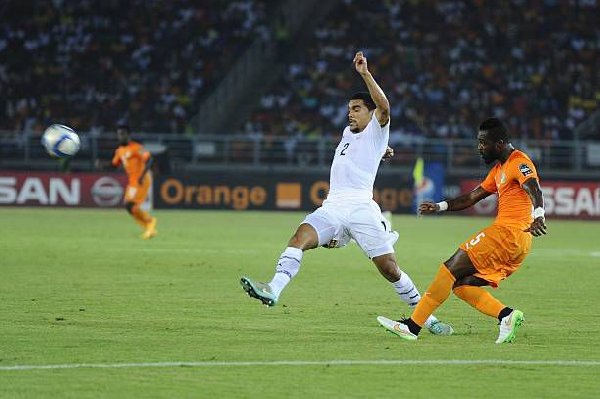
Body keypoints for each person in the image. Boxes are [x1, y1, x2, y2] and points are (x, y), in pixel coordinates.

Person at [240, 51, 453, 336]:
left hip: (362, 209)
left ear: (370, 111)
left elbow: (386, 108)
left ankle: (428, 320)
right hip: (333, 207)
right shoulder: (347, 132)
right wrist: (382, 152)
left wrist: (365, 73)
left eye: (356, 108)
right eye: (349, 108)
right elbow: (363, 152)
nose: (350, 112)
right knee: (299, 238)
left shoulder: (379, 126)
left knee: (389, 268)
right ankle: (273, 290)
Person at [377, 117, 547, 344]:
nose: (479, 148)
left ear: (499, 144)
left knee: (449, 269)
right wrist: (440, 206)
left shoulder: (518, 162)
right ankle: (506, 315)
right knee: (462, 284)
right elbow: (472, 197)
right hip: (517, 242)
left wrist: (539, 214)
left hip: (508, 234)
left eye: (483, 143)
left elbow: (533, 187)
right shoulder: (499, 170)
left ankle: (412, 326)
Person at [99, 126, 157, 239]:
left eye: (123, 134)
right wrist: (102, 164)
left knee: (131, 204)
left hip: (142, 179)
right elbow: (113, 165)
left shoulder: (137, 147)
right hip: (132, 181)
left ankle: (150, 223)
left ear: (128, 135)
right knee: (128, 206)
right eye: (119, 134)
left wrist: (143, 175)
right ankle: (149, 227)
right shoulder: (119, 151)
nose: (120, 136)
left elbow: (150, 159)